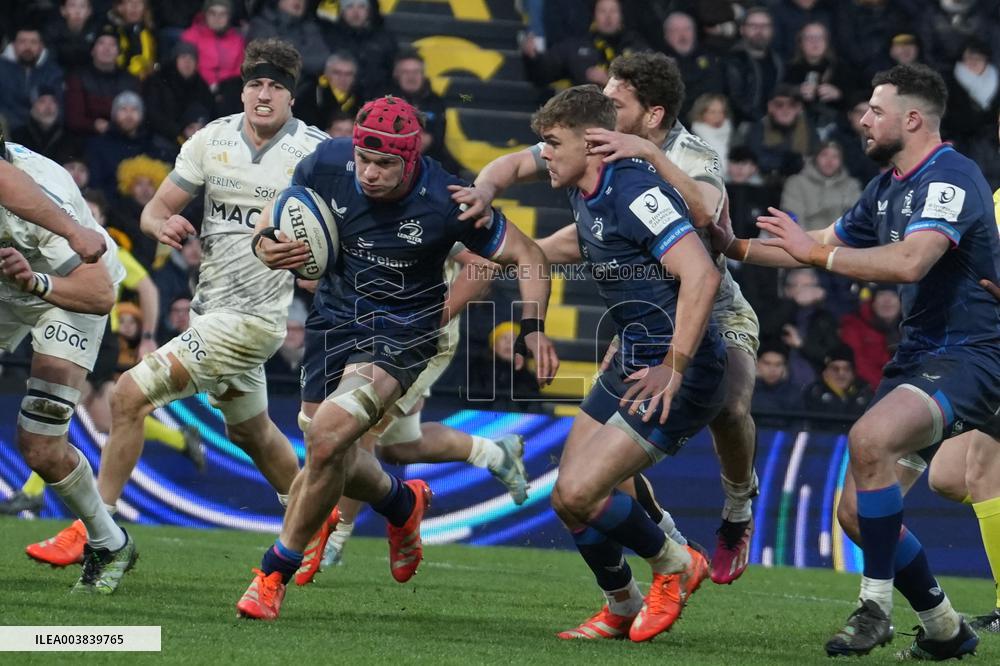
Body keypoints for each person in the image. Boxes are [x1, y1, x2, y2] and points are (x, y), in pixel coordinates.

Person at [715, 63, 997, 659]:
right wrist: (730, 246)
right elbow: (818, 240)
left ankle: (874, 608)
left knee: (870, 439)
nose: (862, 118)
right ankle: (945, 627)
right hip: (921, 358)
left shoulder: (953, 177)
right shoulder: (888, 186)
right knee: (853, 514)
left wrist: (816, 255)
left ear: (912, 119)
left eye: (874, 109)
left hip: (973, 354)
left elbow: (911, 262)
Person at [241, 94, 557, 620]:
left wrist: (532, 328)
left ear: (410, 159)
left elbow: (527, 255)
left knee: (326, 439)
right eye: (364, 158)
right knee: (333, 449)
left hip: (404, 330)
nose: (370, 172)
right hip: (333, 321)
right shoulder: (325, 162)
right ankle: (401, 503)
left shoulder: (447, 198)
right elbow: (273, 220)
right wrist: (266, 246)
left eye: (385, 163)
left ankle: (273, 572)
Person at [24, 38, 329, 572]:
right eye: (255, 84)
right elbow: (155, 210)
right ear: (242, 88)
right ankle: (315, 515)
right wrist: (161, 223)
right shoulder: (212, 140)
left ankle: (98, 529)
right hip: (211, 309)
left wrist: (312, 262)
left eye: (276, 87)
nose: (264, 94)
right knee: (252, 432)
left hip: (256, 320)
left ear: (291, 98)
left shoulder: (317, 153)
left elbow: (338, 237)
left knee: (127, 395)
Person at [458, 52, 761, 587]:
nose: (605, 109)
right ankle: (661, 537)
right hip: (643, 317)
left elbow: (707, 222)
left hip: (714, 307)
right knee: (598, 460)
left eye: (617, 103)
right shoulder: (588, 145)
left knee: (731, 406)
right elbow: (513, 168)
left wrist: (648, 155)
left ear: (652, 116)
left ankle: (737, 509)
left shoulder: (691, 156)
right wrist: (484, 202)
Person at [527, 84, 724, 642]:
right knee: (568, 499)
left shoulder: (635, 189)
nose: (544, 153)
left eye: (552, 142)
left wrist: (675, 365)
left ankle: (676, 563)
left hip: (676, 368)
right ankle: (620, 604)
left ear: (592, 144)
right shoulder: (585, 193)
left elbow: (702, 274)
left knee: (579, 494)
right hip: (630, 360)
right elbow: (569, 246)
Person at [0, 138, 131, 592]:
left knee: (39, 444)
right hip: (6, 283)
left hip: (63, 289)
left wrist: (34, 281)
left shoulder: (45, 199)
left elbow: (99, 295)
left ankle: (107, 540)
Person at [801, 344, 873, 417]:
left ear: (853, 373)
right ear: (825, 372)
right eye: (835, 369)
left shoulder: (865, 393)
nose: (841, 374)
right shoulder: (813, 394)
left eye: (847, 369)